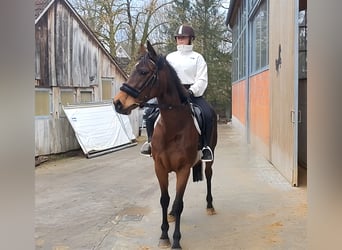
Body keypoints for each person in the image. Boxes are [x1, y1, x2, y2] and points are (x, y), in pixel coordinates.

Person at [140, 24, 214, 162]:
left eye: (183, 37)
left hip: (191, 93)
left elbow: (202, 79)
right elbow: (163, 76)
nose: (180, 40)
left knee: (208, 114)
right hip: (170, 95)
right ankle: (150, 142)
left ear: (190, 39)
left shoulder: (198, 58)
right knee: (149, 114)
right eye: (178, 38)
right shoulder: (170, 57)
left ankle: (205, 147)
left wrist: (192, 91)